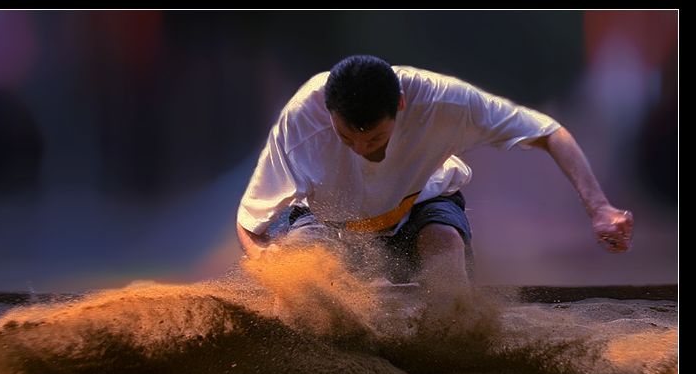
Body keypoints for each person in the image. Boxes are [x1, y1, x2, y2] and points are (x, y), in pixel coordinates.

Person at [236, 54, 633, 289]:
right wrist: (264, 259)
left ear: (402, 106)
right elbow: (249, 221)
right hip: (330, 223)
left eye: (374, 140)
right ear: (329, 114)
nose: (360, 150)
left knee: (445, 253)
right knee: (299, 268)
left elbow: (549, 132)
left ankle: (450, 358)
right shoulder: (300, 122)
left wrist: (599, 208)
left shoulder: (443, 102)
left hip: (418, 207)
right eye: (345, 137)